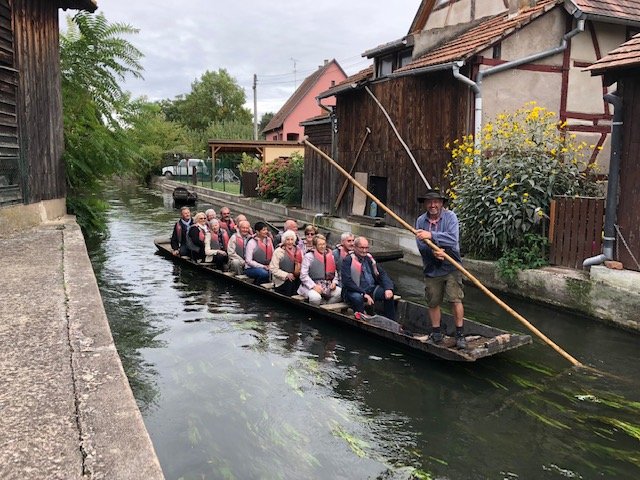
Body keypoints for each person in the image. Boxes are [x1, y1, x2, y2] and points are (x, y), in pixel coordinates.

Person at [415, 188, 466, 349]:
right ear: (425, 204)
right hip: (432, 267)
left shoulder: (450, 217)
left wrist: (432, 236)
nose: (433, 205)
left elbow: (452, 239)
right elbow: (421, 246)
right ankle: (436, 332)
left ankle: (460, 334)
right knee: (433, 300)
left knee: (455, 299)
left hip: (451, 265)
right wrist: (433, 252)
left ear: (442, 203)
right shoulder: (420, 221)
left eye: (436, 202)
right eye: (429, 202)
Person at [341, 236, 396, 320]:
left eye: (366, 248)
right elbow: (347, 282)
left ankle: (391, 320)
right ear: (355, 247)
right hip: (354, 291)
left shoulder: (369, 259)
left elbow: (382, 274)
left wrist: (388, 288)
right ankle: (362, 319)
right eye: (361, 248)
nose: (364, 251)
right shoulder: (348, 260)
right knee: (358, 298)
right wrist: (363, 293)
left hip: (370, 289)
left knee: (388, 293)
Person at [298, 234, 342, 305]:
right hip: (310, 285)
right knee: (316, 298)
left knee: (340, 293)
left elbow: (335, 272)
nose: (322, 246)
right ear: (315, 246)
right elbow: (303, 275)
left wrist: (334, 282)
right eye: (320, 245)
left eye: (324, 244)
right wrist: (314, 286)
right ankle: (315, 308)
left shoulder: (331, 256)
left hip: (327, 285)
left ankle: (326, 306)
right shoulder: (308, 257)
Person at [269, 230, 302, 296]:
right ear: (284, 241)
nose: (290, 242)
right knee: (290, 282)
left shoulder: (298, 251)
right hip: (281, 280)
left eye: (292, 239)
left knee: (300, 280)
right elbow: (273, 269)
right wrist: (286, 275)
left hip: (295, 277)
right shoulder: (278, 252)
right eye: (288, 240)